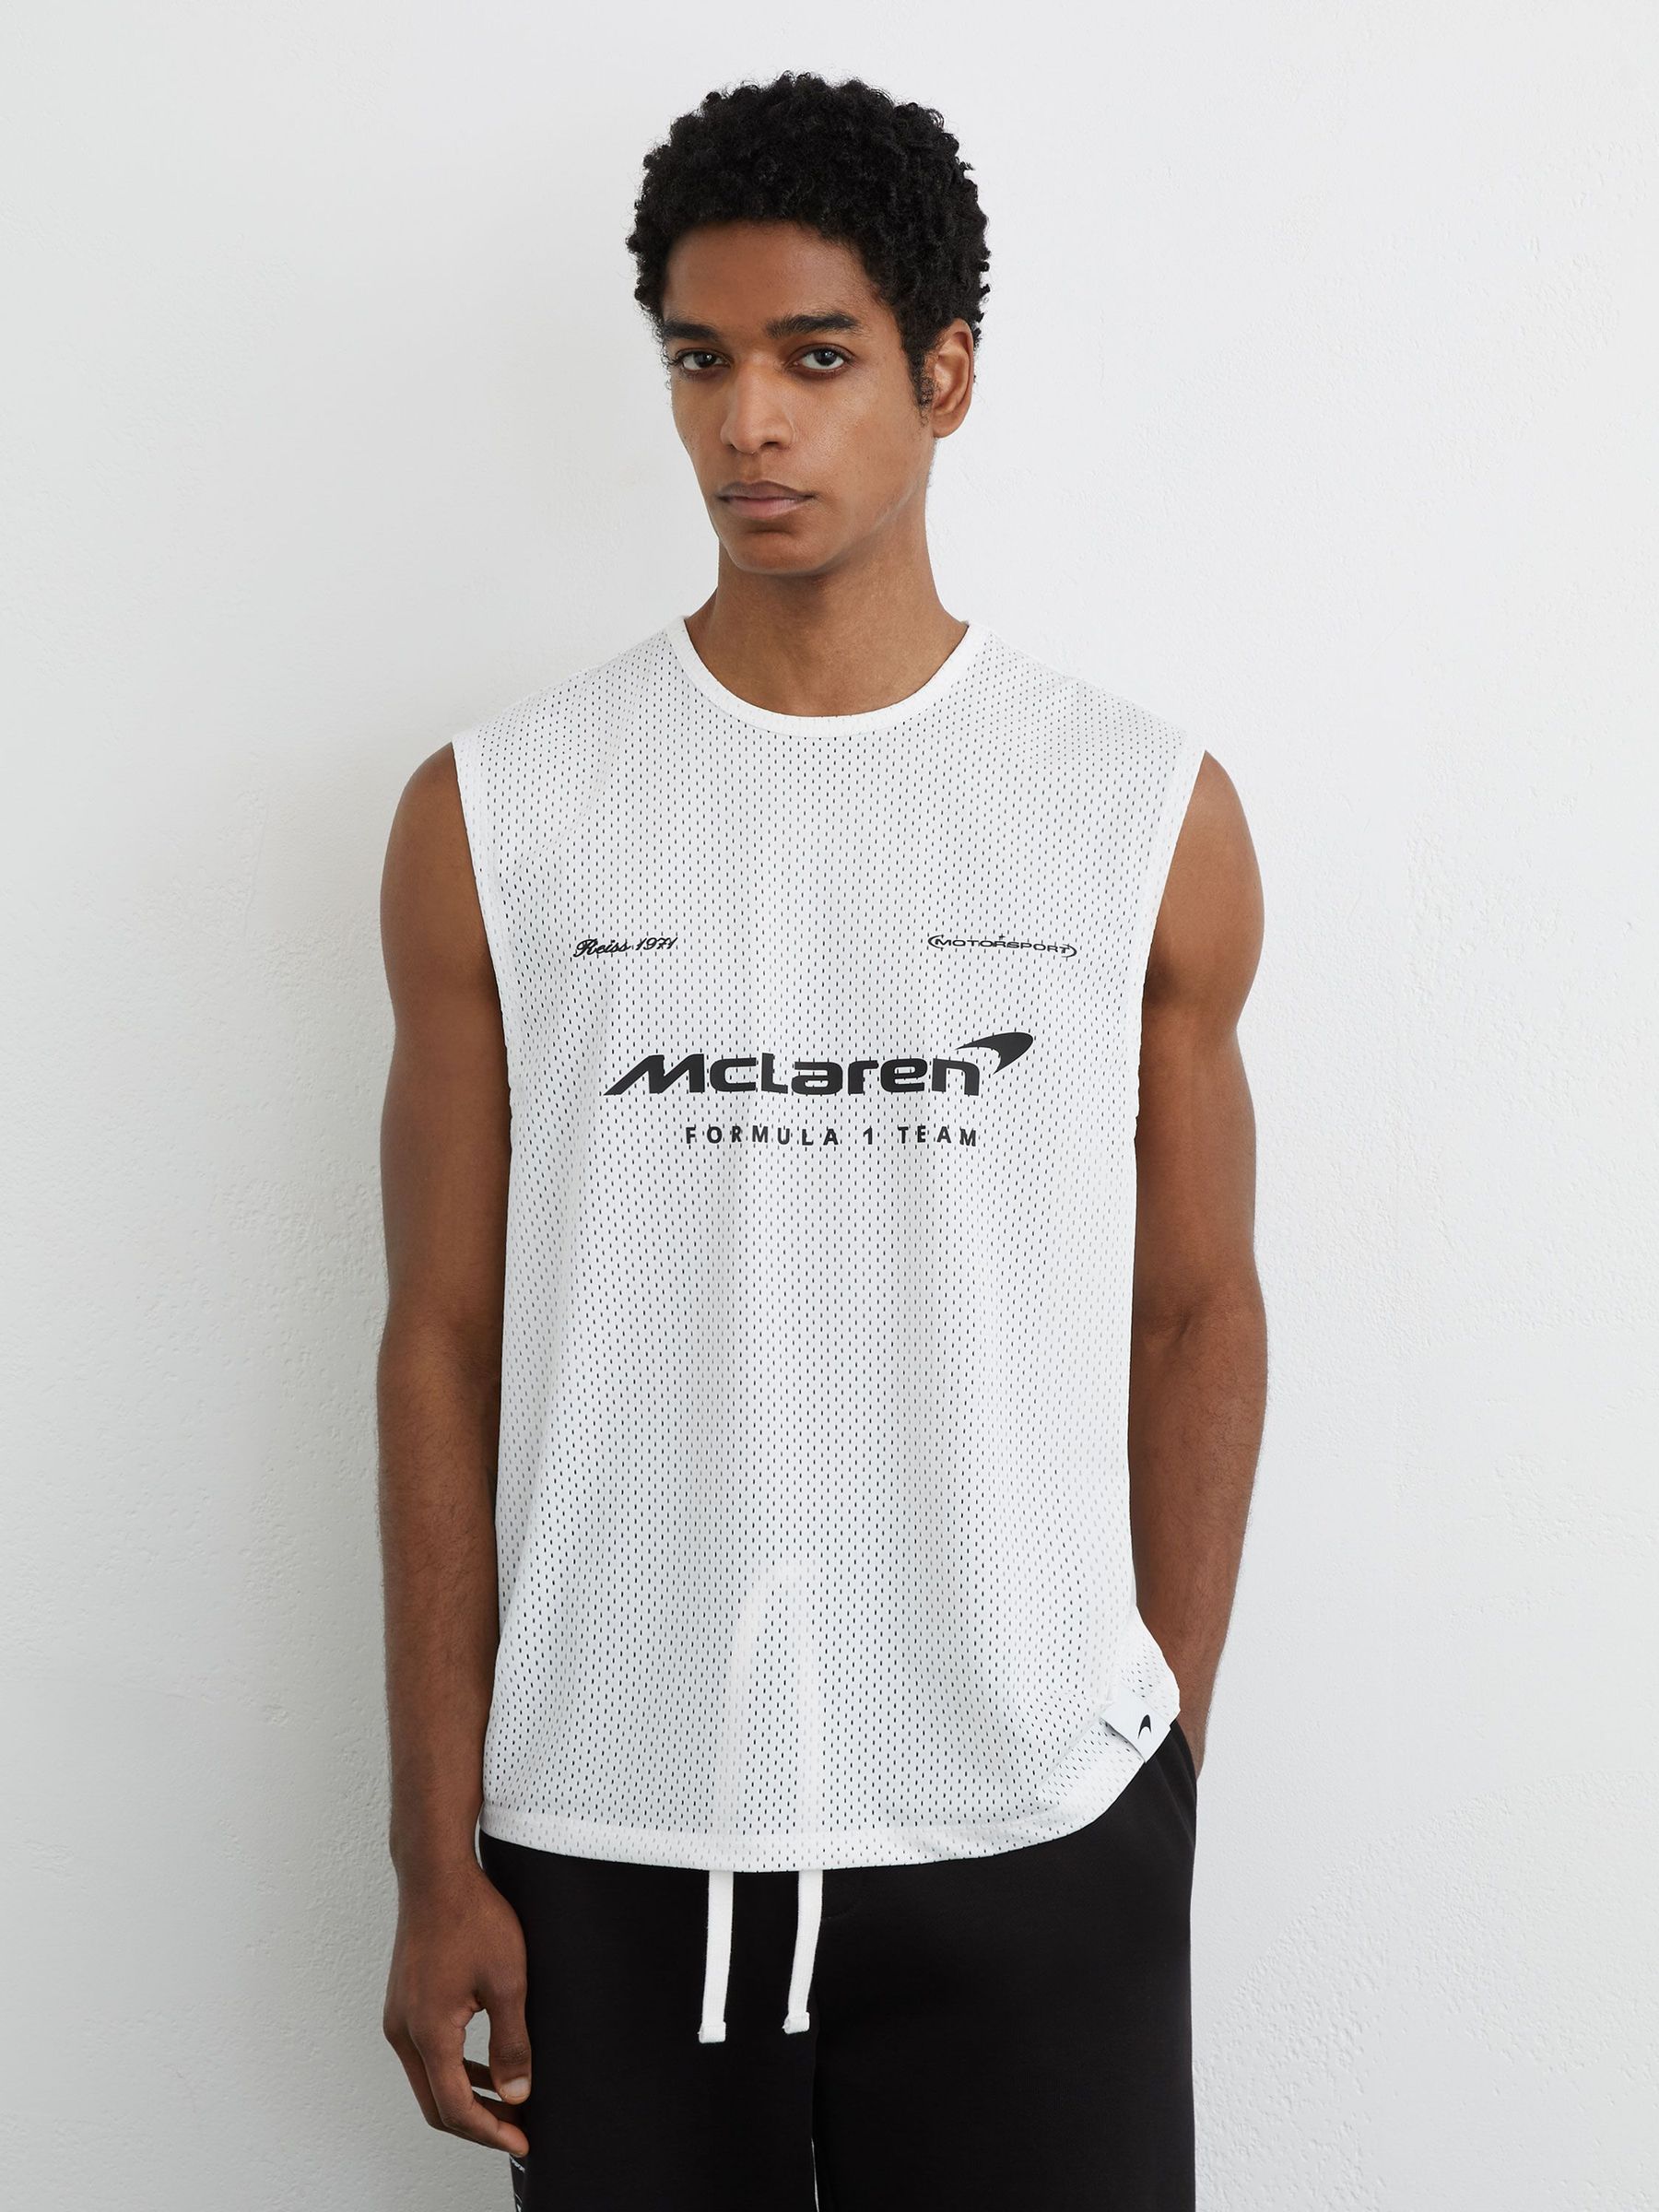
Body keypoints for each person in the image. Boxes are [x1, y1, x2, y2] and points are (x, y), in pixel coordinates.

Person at [376, 69, 1265, 2212]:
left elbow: (1196, 1314)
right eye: (702, 362)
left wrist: (1157, 1752)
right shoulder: (502, 812)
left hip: (1038, 1833)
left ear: (945, 373)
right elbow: (439, 1345)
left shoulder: (1135, 808)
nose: (748, 425)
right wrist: (431, 1850)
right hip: (613, 1837)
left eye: (815, 359)